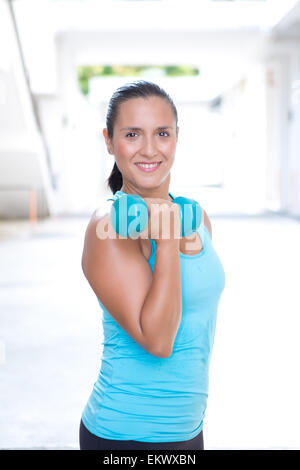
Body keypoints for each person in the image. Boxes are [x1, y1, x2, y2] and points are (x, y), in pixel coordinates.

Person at [79, 80, 226, 450]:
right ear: (109, 141)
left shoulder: (196, 218)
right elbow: (159, 341)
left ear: (177, 137)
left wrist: (171, 225)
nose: (149, 149)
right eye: (132, 134)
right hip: (125, 435)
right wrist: (167, 240)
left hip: (188, 430)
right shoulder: (107, 228)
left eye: (162, 133)